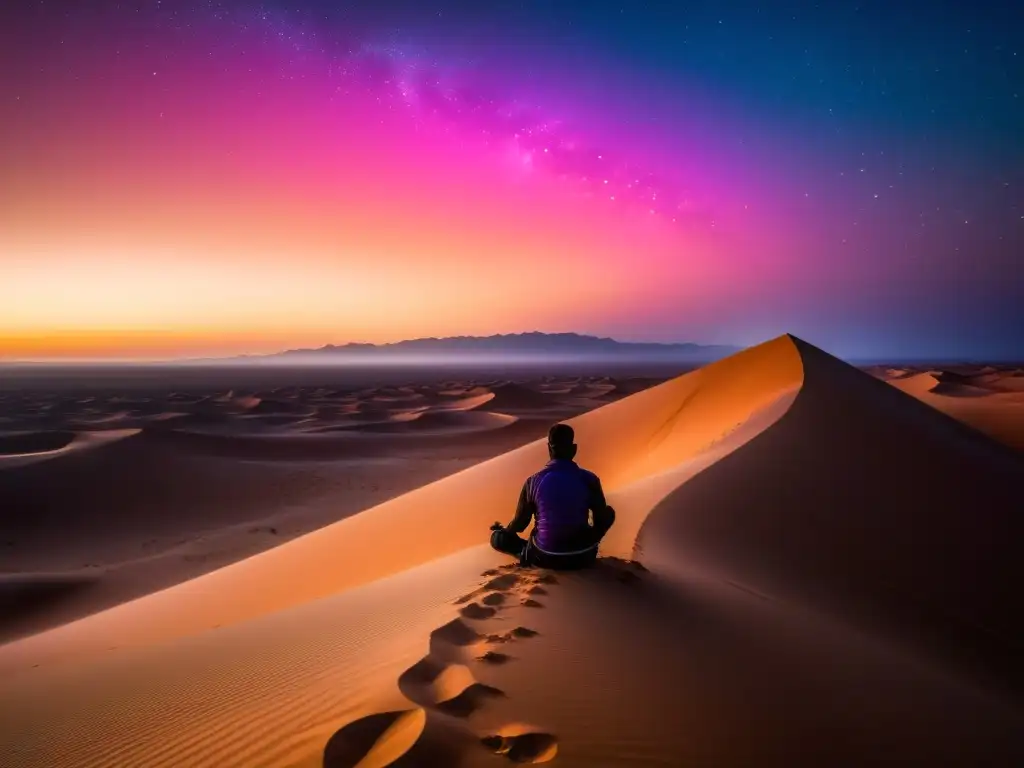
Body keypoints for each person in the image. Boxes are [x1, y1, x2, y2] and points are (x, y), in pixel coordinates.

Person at [490, 423, 615, 569]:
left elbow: (519, 524)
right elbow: (601, 519)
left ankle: (524, 554)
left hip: (544, 558)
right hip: (582, 556)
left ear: (549, 448)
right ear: (574, 449)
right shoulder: (589, 479)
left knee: (498, 539)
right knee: (609, 513)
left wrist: (504, 531)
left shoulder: (533, 482)